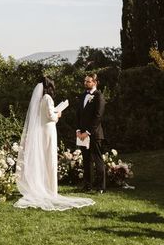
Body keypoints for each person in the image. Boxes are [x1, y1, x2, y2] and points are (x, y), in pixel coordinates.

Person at [14, 76, 95, 211]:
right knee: (49, 157)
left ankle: (44, 186)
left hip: (42, 129)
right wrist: (58, 114)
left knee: (44, 157)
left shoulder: (40, 99)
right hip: (49, 130)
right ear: (50, 86)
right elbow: (51, 116)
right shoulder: (47, 98)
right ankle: (51, 189)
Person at [75, 73, 106, 193]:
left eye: (88, 81)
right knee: (86, 160)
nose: (85, 83)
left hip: (94, 134)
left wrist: (87, 132)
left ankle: (101, 187)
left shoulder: (99, 96)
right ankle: (87, 185)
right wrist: (78, 130)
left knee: (97, 160)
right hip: (81, 134)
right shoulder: (83, 95)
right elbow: (78, 114)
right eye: (85, 81)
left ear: (95, 82)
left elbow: (98, 117)